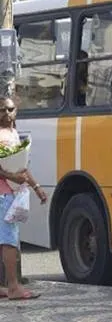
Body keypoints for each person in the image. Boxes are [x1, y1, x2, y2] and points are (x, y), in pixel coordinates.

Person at [0, 96, 48, 301]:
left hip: (12, 192)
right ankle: (13, 286)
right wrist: (12, 177)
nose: (7, 113)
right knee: (10, 241)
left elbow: (21, 165)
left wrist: (36, 187)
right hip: (4, 194)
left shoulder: (13, 133)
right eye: (2, 110)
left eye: (10, 109)